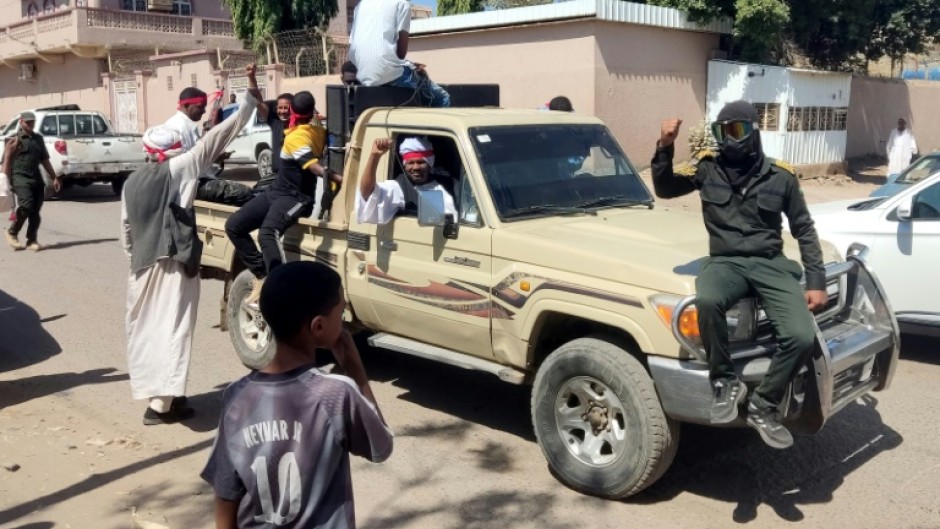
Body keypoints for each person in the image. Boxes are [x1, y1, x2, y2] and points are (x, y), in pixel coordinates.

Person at [650, 101, 827, 450]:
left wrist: (817, 282)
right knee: (708, 300)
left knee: (801, 336)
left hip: (770, 263)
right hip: (726, 262)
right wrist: (665, 145)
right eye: (723, 131)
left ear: (753, 130)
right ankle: (725, 382)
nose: (730, 139)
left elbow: (804, 229)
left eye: (738, 130)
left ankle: (764, 405)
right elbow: (665, 188)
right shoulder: (706, 168)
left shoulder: (781, 176)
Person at [121, 64, 264, 425]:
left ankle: (165, 397)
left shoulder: (132, 182)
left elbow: (126, 232)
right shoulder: (181, 167)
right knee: (174, 329)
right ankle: (162, 407)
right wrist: (247, 101)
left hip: (141, 265)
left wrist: (137, 258)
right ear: (173, 150)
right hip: (173, 261)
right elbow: (220, 135)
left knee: (148, 330)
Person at [201, 261, 393, 529]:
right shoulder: (337, 393)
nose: (344, 317)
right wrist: (355, 369)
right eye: (341, 310)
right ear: (318, 326)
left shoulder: (236, 396)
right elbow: (381, 448)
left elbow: (225, 493)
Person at [225, 91, 341, 307]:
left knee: (268, 233)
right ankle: (262, 275)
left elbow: (314, 167)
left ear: (294, 111)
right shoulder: (315, 131)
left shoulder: (298, 136)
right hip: (277, 190)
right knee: (234, 225)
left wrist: (339, 178)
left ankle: (277, 286)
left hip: (297, 197)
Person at [348, 0, 450, 107]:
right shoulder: (402, 4)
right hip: (390, 74)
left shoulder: (360, 6)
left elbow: (353, 49)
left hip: (364, 75)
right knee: (442, 98)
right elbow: (401, 53)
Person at [357, 136, 457, 225]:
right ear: (404, 166)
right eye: (410, 163)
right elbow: (367, 193)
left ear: (430, 164)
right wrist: (374, 157)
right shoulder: (398, 187)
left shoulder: (447, 182)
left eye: (421, 162)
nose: (416, 167)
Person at [4, 112, 61, 251]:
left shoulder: (38, 139)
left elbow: (45, 160)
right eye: (27, 123)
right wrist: (4, 181)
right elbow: (5, 162)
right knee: (26, 205)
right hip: (19, 177)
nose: (30, 125)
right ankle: (12, 232)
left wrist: (54, 177)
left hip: (36, 178)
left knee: (35, 211)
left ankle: (32, 240)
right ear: (21, 122)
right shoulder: (13, 140)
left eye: (32, 123)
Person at [255, 93, 294, 187]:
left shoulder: (300, 129)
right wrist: (251, 78)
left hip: (293, 180)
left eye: (286, 108)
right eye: (280, 108)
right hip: (277, 178)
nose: (283, 111)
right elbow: (258, 101)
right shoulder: (275, 124)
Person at [162, 87, 209, 153]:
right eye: (200, 107)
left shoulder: (186, 125)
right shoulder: (181, 128)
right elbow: (190, 158)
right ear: (187, 106)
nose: (204, 111)